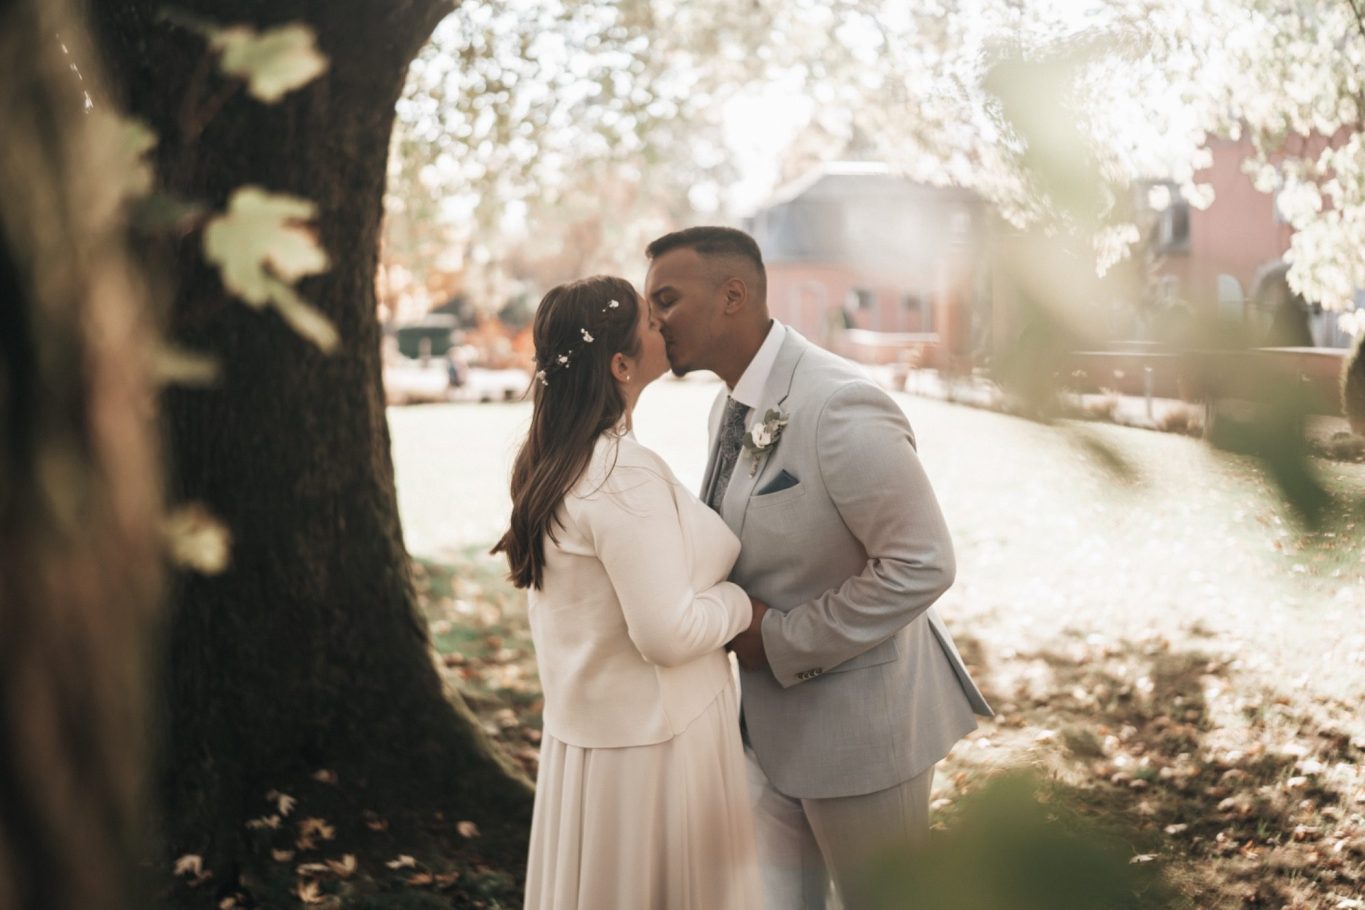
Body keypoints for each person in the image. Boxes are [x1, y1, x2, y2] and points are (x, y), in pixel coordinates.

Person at [644, 226, 994, 910]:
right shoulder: (727, 404)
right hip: (761, 737)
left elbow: (921, 564)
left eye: (665, 298)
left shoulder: (838, 403)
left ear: (732, 296)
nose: (651, 319)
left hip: (861, 734)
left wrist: (777, 641)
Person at [493, 275, 763, 910]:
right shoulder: (621, 473)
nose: (662, 324)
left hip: (593, 741)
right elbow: (666, 633)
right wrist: (741, 605)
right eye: (650, 318)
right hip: (656, 750)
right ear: (620, 364)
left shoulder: (555, 459)